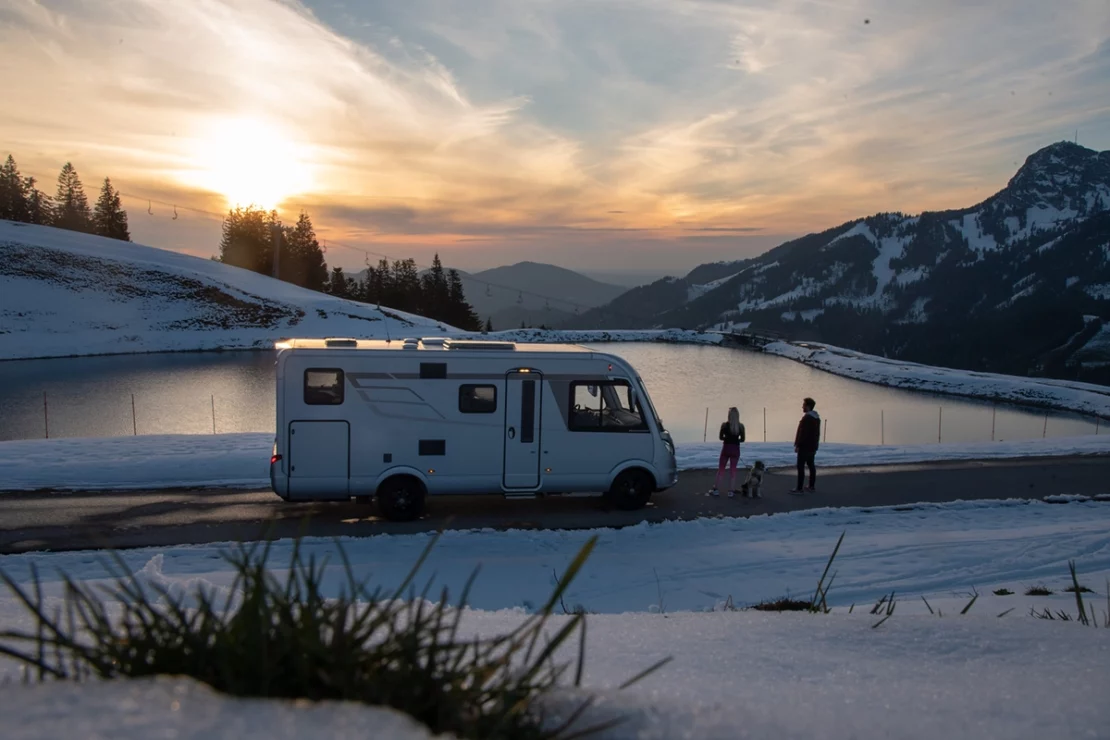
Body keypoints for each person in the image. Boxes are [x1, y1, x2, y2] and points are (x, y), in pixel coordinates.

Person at [710, 407, 745, 497]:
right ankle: (731, 491)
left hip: (726, 448)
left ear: (729, 415)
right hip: (735, 449)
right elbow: (743, 439)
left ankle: (716, 489)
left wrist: (727, 439)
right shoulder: (740, 426)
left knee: (721, 469)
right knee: (733, 470)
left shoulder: (724, 425)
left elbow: (720, 437)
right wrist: (736, 440)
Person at [791, 397, 820, 493]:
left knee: (800, 466)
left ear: (808, 406)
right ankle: (811, 486)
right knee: (811, 465)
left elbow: (803, 434)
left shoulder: (807, 418)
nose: (802, 407)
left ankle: (799, 488)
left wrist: (798, 445)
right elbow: (817, 434)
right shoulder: (816, 418)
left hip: (805, 447)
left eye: (803, 405)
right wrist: (816, 446)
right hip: (812, 447)